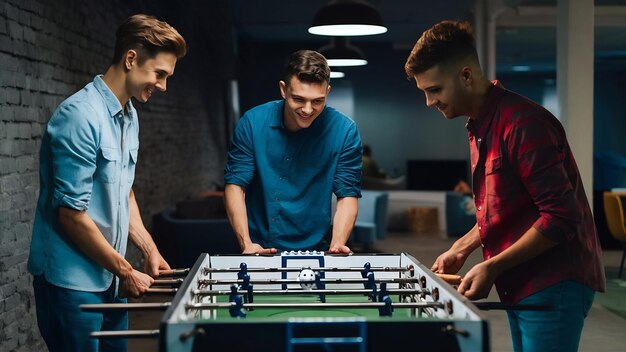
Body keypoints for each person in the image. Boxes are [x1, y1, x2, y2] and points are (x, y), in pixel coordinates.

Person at [404, 20, 605, 352]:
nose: (429, 102)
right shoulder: (481, 125)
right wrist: (461, 248)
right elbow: (503, 210)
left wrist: (492, 266)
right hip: (523, 279)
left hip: (553, 279)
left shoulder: (523, 124)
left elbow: (561, 216)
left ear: (466, 76)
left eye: (435, 90)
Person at [28, 14, 187, 352]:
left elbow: (122, 191)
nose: (163, 86)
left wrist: (149, 250)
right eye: (160, 74)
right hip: (72, 284)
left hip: (110, 279)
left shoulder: (129, 117)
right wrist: (126, 269)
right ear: (131, 59)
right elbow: (70, 214)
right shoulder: (80, 116)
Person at [224, 50, 362, 255]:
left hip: (317, 247)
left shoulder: (345, 131)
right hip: (258, 245)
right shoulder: (252, 123)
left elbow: (347, 195)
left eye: (317, 101)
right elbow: (235, 186)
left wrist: (338, 243)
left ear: (328, 92)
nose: (307, 110)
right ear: (283, 89)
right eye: (298, 99)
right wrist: (246, 243)